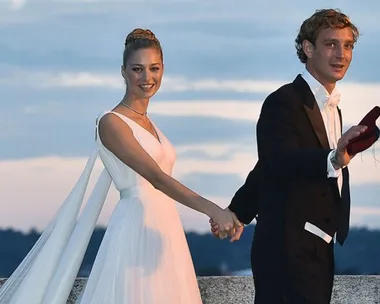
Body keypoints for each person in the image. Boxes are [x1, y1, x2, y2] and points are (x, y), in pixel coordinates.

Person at [0, 28, 241, 304]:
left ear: (163, 70)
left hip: (166, 230)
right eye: (137, 69)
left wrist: (221, 215)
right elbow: (156, 177)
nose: (147, 77)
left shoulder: (151, 125)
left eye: (154, 68)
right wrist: (213, 210)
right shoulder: (111, 122)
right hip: (135, 228)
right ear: (123, 71)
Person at [210, 8, 367, 304]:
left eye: (348, 45)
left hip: (316, 250)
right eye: (331, 44)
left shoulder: (330, 107)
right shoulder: (283, 102)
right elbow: (280, 160)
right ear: (308, 48)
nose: (341, 54)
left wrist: (238, 212)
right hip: (286, 251)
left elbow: (265, 168)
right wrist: (333, 158)